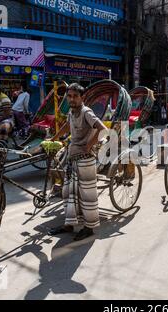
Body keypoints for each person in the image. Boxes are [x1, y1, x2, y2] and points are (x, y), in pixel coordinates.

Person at [48, 83, 107, 241]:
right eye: (70, 96)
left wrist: (88, 146)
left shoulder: (86, 112)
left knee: (87, 195)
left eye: (75, 96)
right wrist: (53, 139)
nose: (72, 99)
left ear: (82, 98)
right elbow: (68, 126)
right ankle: (69, 224)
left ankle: (89, 227)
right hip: (72, 157)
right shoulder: (71, 112)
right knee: (68, 193)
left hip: (85, 160)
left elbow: (103, 129)